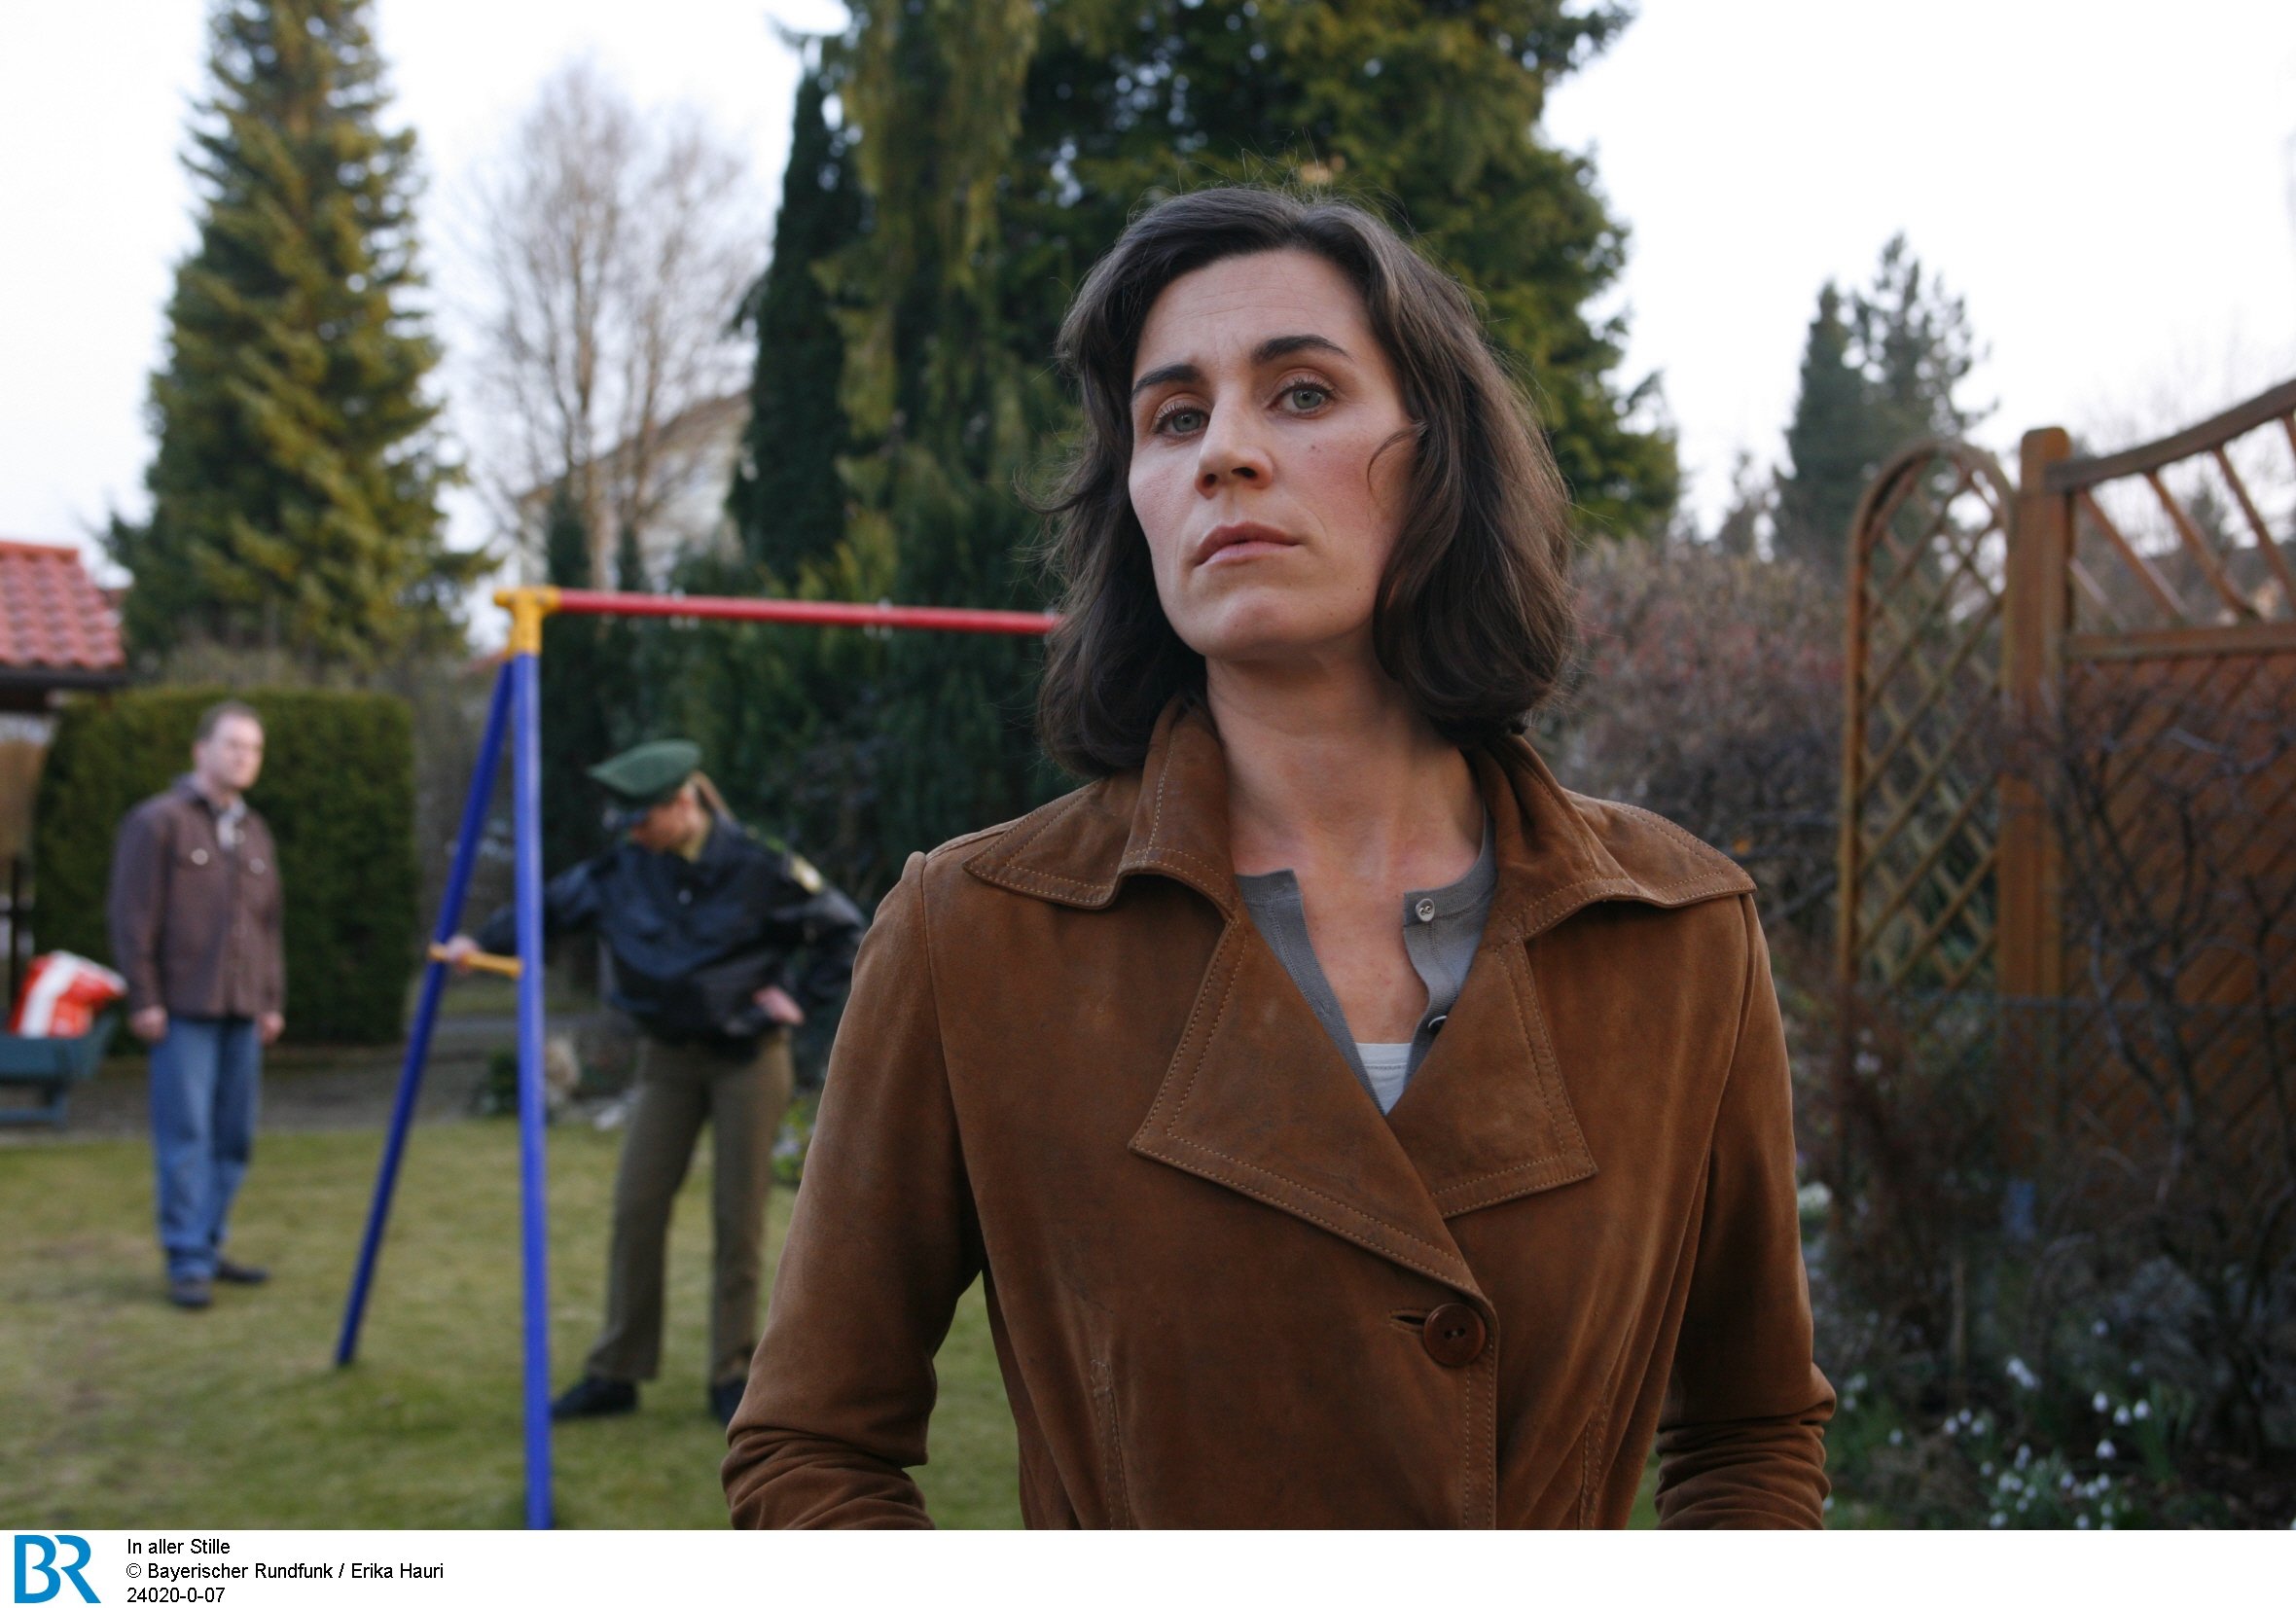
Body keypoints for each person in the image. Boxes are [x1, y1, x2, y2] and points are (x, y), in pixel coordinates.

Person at [723, 187, 1833, 1528]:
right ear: (1134, 498)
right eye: (1172, 417)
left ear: (1440, 458)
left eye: (1301, 395)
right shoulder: (976, 934)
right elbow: (811, 1449)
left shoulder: (1678, 929)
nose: (1224, 454)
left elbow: (1751, 1432)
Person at [443, 738, 864, 1426]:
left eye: (643, 819)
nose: (633, 833)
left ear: (684, 803)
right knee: (636, 1206)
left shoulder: (758, 864)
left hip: (748, 1058)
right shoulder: (624, 868)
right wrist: (481, 943)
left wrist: (792, 997)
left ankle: (733, 1373)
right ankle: (618, 1371)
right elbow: (548, 908)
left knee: (738, 1218)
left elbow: (845, 931)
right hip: (668, 1060)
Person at [107, 699, 285, 1311]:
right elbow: (132, 918)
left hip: (243, 1010)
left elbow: (268, 925)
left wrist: (270, 1000)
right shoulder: (158, 822)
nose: (244, 757)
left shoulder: (256, 831)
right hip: (182, 1008)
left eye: (253, 748)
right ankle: (185, 1258)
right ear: (200, 750)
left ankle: (209, 1243)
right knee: (187, 1136)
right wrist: (144, 997)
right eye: (233, 745)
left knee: (233, 1138)